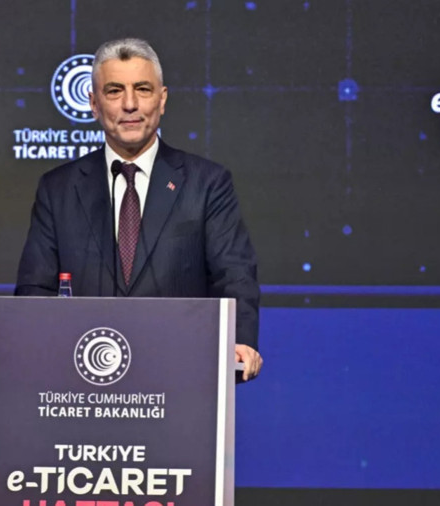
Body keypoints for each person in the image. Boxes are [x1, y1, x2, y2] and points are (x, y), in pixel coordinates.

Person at [15, 38, 262, 380]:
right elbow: (35, 290)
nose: (130, 104)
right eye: (114, 91)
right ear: (94, 103)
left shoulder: (207, 183)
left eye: (143, 89)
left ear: (162, 100)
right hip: (82, 381)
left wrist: (238, 341)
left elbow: (233, 275)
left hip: (179, 375)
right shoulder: (57, 189)